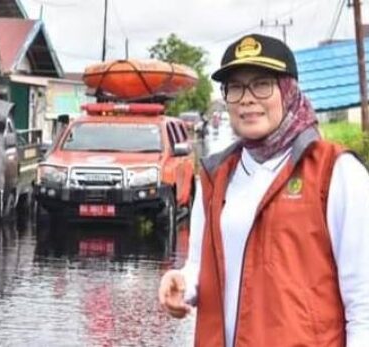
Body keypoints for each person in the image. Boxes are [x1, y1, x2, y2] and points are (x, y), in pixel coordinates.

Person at [158, 34, 369, 346]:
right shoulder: (215, 176)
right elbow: (201, 268)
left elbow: (363, 303)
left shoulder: (335, 171)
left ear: (288, 91)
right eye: (235, 87)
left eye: (261, 84)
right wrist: (183, 284)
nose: (247, 98)